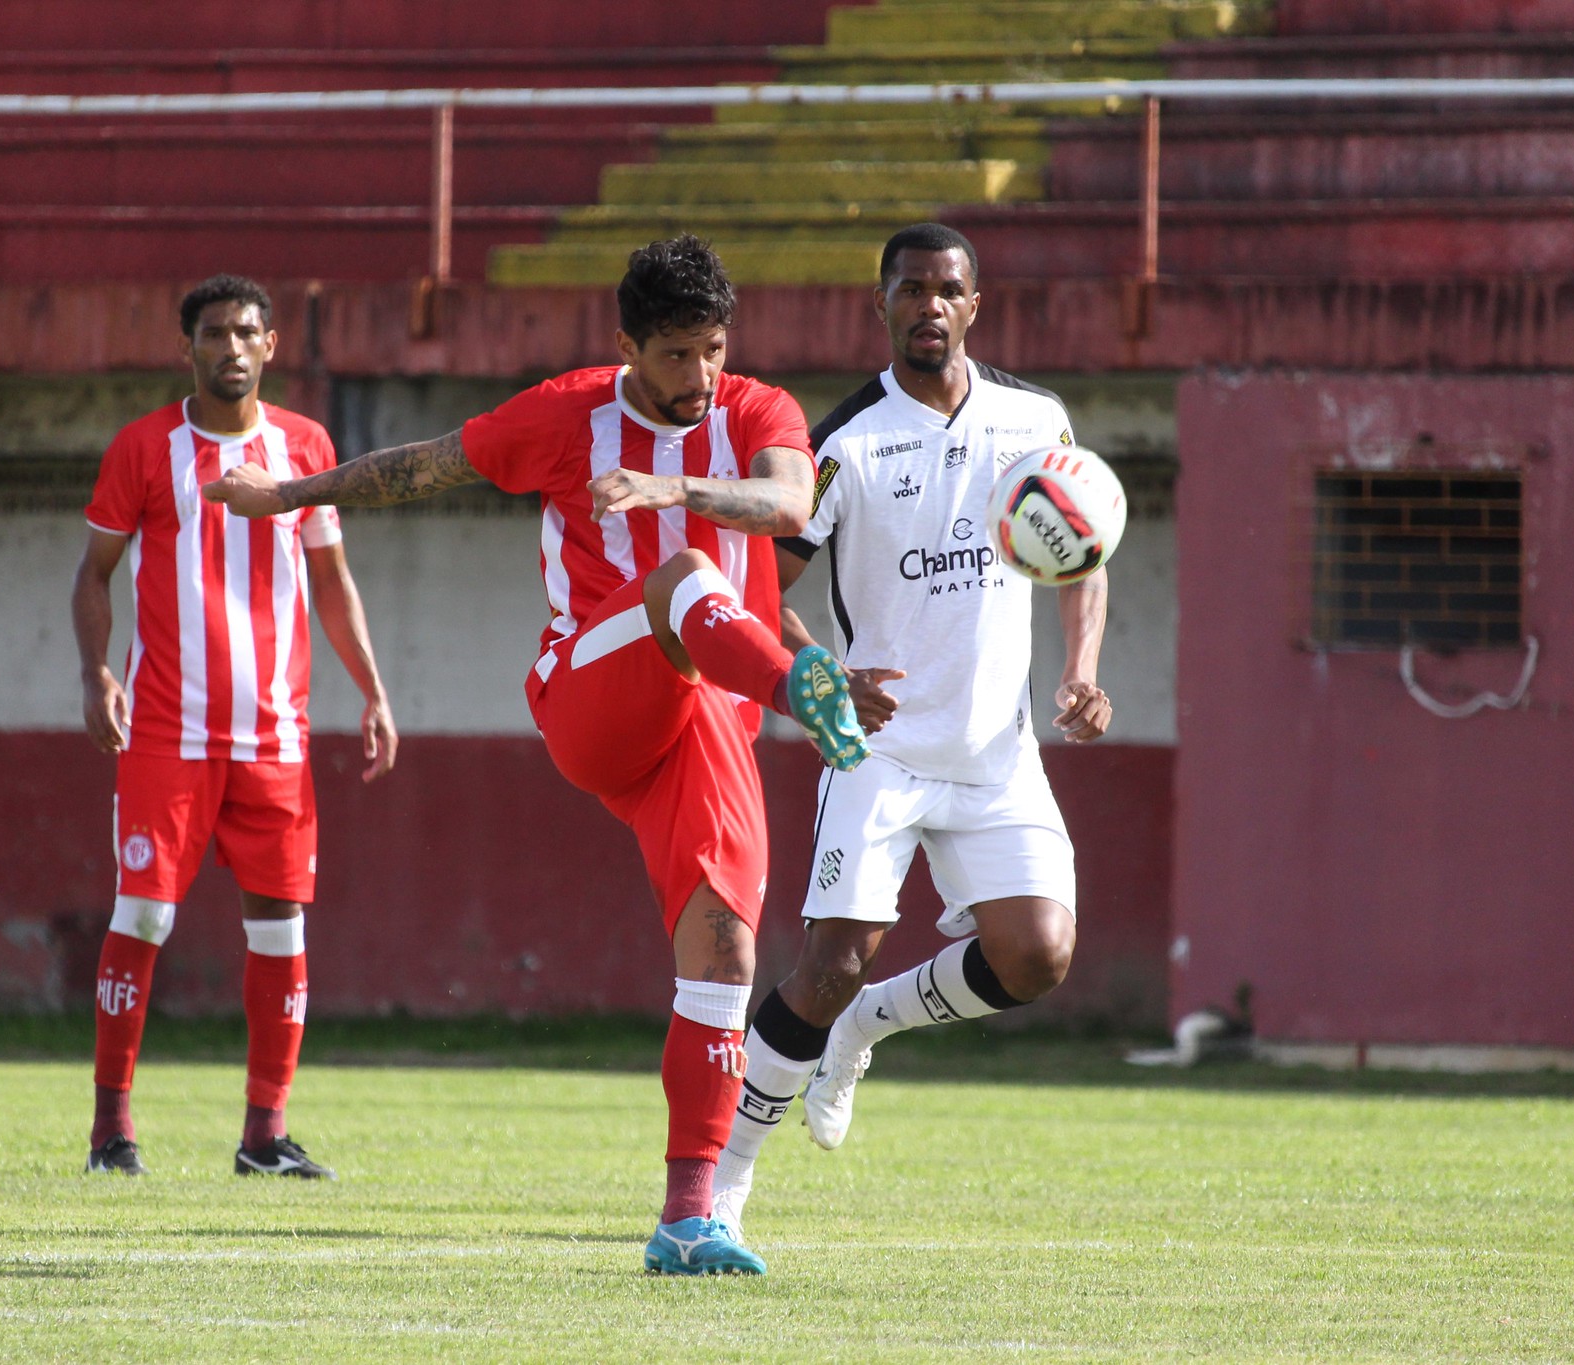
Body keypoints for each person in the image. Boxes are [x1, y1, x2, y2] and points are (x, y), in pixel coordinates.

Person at [203, 235, 868, 1275]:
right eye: (674, 356)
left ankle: (687, 1221)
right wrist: (281, 497)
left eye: (711, 350)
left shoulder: (755, 409)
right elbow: (418, 468)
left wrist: (668, 493)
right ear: (624, 347)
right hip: (592, 698)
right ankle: (796, 692)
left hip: (707, 722)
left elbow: (789, 505)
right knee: (684, 578)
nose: (698, 378)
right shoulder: (565, 415)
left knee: (723, 962)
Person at [707, 223, 1113, 1235]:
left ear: (974, 304)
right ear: (878, 304)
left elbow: (1082, 545)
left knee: (1037, 955)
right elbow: (759, 583)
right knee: (827, 963)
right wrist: (826, 673)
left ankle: (867, 1025)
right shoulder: (841, 444)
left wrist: (1080, 670)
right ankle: (725, 1180)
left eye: (947, 289)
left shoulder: (1033, 420)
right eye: (911, 289)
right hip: (877, 748)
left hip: (993, 753)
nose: (928, 305)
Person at [72, 273, 397, 1180]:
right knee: (141, 913)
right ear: (190, 346)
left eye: (246, 332)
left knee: (282, 931)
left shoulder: (306, 446)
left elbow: (330, 581)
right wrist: (98, 672)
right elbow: (92, 574)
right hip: (166, 736)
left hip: (275, 741)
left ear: (270, 344)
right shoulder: (144, 450)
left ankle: (264, 1135)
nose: (231, 347)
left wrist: (372, 689)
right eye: (214, 332)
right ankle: (111, 1132)